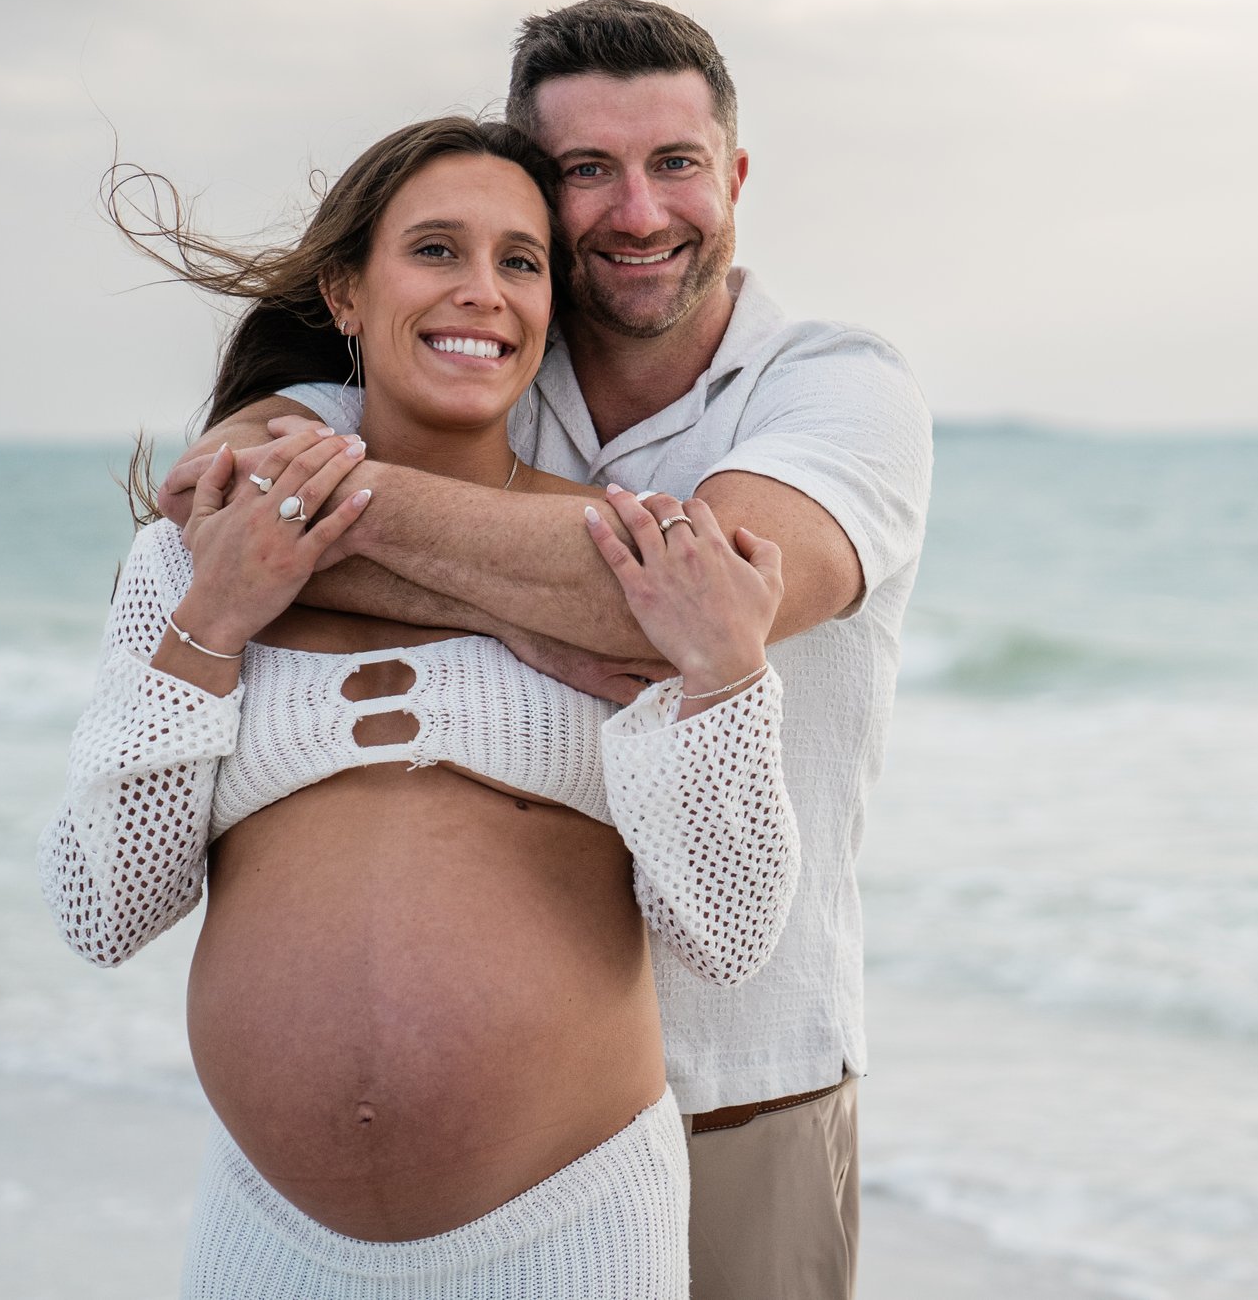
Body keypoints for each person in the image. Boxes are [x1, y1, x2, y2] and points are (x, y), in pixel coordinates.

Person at [167, 0, 933, 1300]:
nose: (639, 210)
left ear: (734, 175)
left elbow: (722, 599)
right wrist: (588, 595)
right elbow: (212, 516)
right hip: (508, 1146)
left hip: (750, 1074)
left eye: (675, 161)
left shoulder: (835, 385)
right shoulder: (473, 359)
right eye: (588, 170)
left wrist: (358, 521)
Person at [44, 115, 804, 1298]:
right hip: (269, 1239)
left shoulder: (631, 566)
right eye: (436, 250)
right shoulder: (202, 551)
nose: (481, 293)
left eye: (519, 260)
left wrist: (724, 680)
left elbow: (728, 930)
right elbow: (102, 903)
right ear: (347, 290)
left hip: (575, 1229)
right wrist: (212, 625)